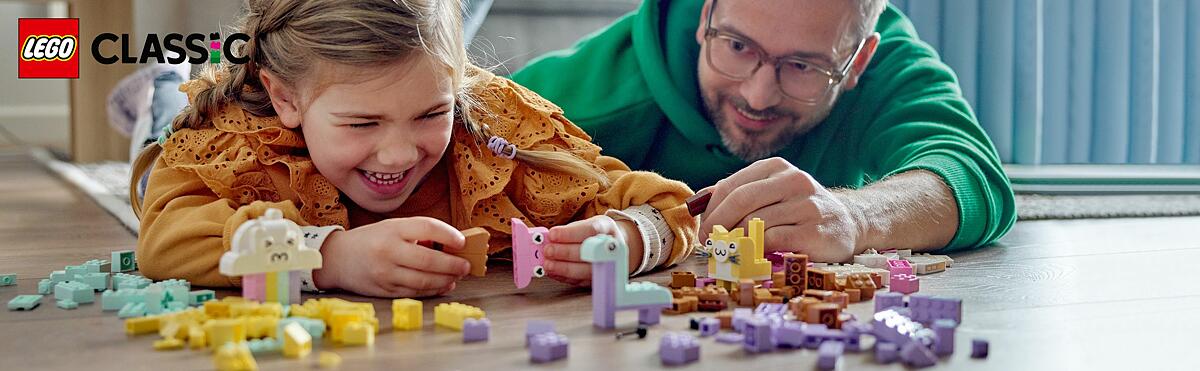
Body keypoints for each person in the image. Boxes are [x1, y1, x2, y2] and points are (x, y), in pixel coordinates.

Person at [128, 0, 697, 297]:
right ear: (286, 99)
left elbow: (665, 208)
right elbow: (166, 242)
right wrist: (329, 259)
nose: (398, 154)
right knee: (167, 131)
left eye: (431, 113)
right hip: (226, 112)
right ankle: (162, 86)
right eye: (361, 124)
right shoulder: (235, 142)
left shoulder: (495, 134)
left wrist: (626, 236)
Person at [512, 0, 1016, 262]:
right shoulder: (591, 97)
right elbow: (455, 137)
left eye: (802, 66)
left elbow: (973, 175)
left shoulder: (887, 63)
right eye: (737, 46)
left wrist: (856, 216)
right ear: (707, 15)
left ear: (858, 59)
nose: (758, 96)